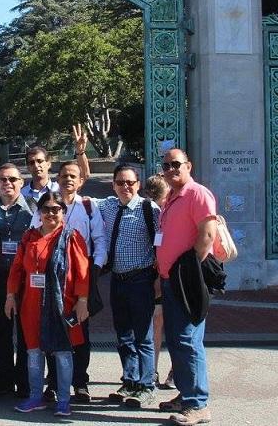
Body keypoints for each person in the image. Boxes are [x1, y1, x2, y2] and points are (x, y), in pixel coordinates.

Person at [5, 192, 90, 418]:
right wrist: (10, 295)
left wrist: (82, 301)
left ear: (63, 212)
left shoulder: (72, 237)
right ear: (39, 213)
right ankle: (35, 396)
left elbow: (82, 272)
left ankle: (63, 400)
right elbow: (16, 269)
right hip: (31, 304)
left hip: (63, 304)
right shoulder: (28, 237)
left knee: (63, 353)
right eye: (46, 209)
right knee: (33, 352)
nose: (51, 213)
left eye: (56, 209)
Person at [156, 149, 217, 426]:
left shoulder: (197, 194)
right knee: (178, 339)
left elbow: (207, 235)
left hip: (186, 280)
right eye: (166, 165)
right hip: (171, 280)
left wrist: (188, 270)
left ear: (188, 165)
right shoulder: (170, 197)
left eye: (176, 164)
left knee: (188, 340)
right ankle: (186, 394)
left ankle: (197, 403)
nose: (170, 169)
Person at [92, 165, 162, 409]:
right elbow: (79, 196)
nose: (125, 187)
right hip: (118, 280)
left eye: (130, 182)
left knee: (143, 335)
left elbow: (161, 239)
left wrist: (158, 277)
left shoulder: (148, 209)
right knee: (123, 335)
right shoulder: (109, 206)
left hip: (140, 279)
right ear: (113, 185)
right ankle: (130, 380)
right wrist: (80, 156)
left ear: (138, 184)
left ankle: (146, 384)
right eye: (120, 182)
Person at [39, 160, 106, 403]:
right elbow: (37, 236)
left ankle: (80, 383)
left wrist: (95, 271)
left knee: (79, 331)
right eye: (65, 175)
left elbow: (99, 240)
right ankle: (54, 383)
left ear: (81, 181)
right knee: (51, 328)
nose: (69, 179)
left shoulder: (89, 206)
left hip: (81, 275)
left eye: (73, 176)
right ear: (58, 178)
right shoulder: (49, 205)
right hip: (51, 277)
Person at [0, 163, 31, 398]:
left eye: (13, 179)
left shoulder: (33, 210)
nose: (8, 184)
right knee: (0, 333)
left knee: (25, 334)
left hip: (24, 280)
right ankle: (5, 380)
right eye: (3, 179)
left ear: (21, 183)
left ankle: (24, 383)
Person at [143, 174, 174, 390]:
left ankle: (170, 370)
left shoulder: (170, 212)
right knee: (161, 322)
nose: (156, 203)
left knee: (167, 324)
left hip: (170, 276)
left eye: (158, 198)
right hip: (159, 275)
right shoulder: (156, 213)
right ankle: (155, 371)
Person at [22, 125, 89, 213]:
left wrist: (80, 153)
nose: (36, 165)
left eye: (40, 161)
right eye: (31, 162)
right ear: (28, 167)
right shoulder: (22, 194)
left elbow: (84, 175)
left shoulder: (61, 188)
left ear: (49, 163)